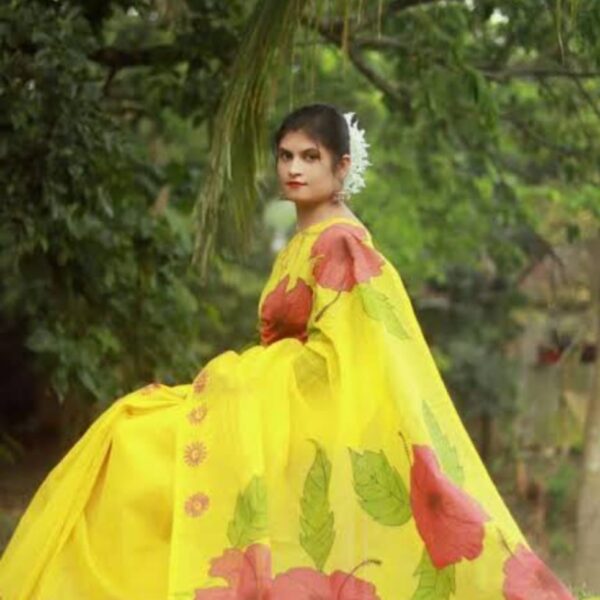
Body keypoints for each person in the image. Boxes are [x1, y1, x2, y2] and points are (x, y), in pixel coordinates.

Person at [0, 103, 574, 600]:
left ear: (341, 167)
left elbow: (348, 353)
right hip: (270, 407)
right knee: (129, 434)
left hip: (295, 415)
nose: (294, 168)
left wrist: (245, 377)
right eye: (285, 156)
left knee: (135, 442)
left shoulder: (341, 242)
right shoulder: (306, 237)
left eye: (310, 157)